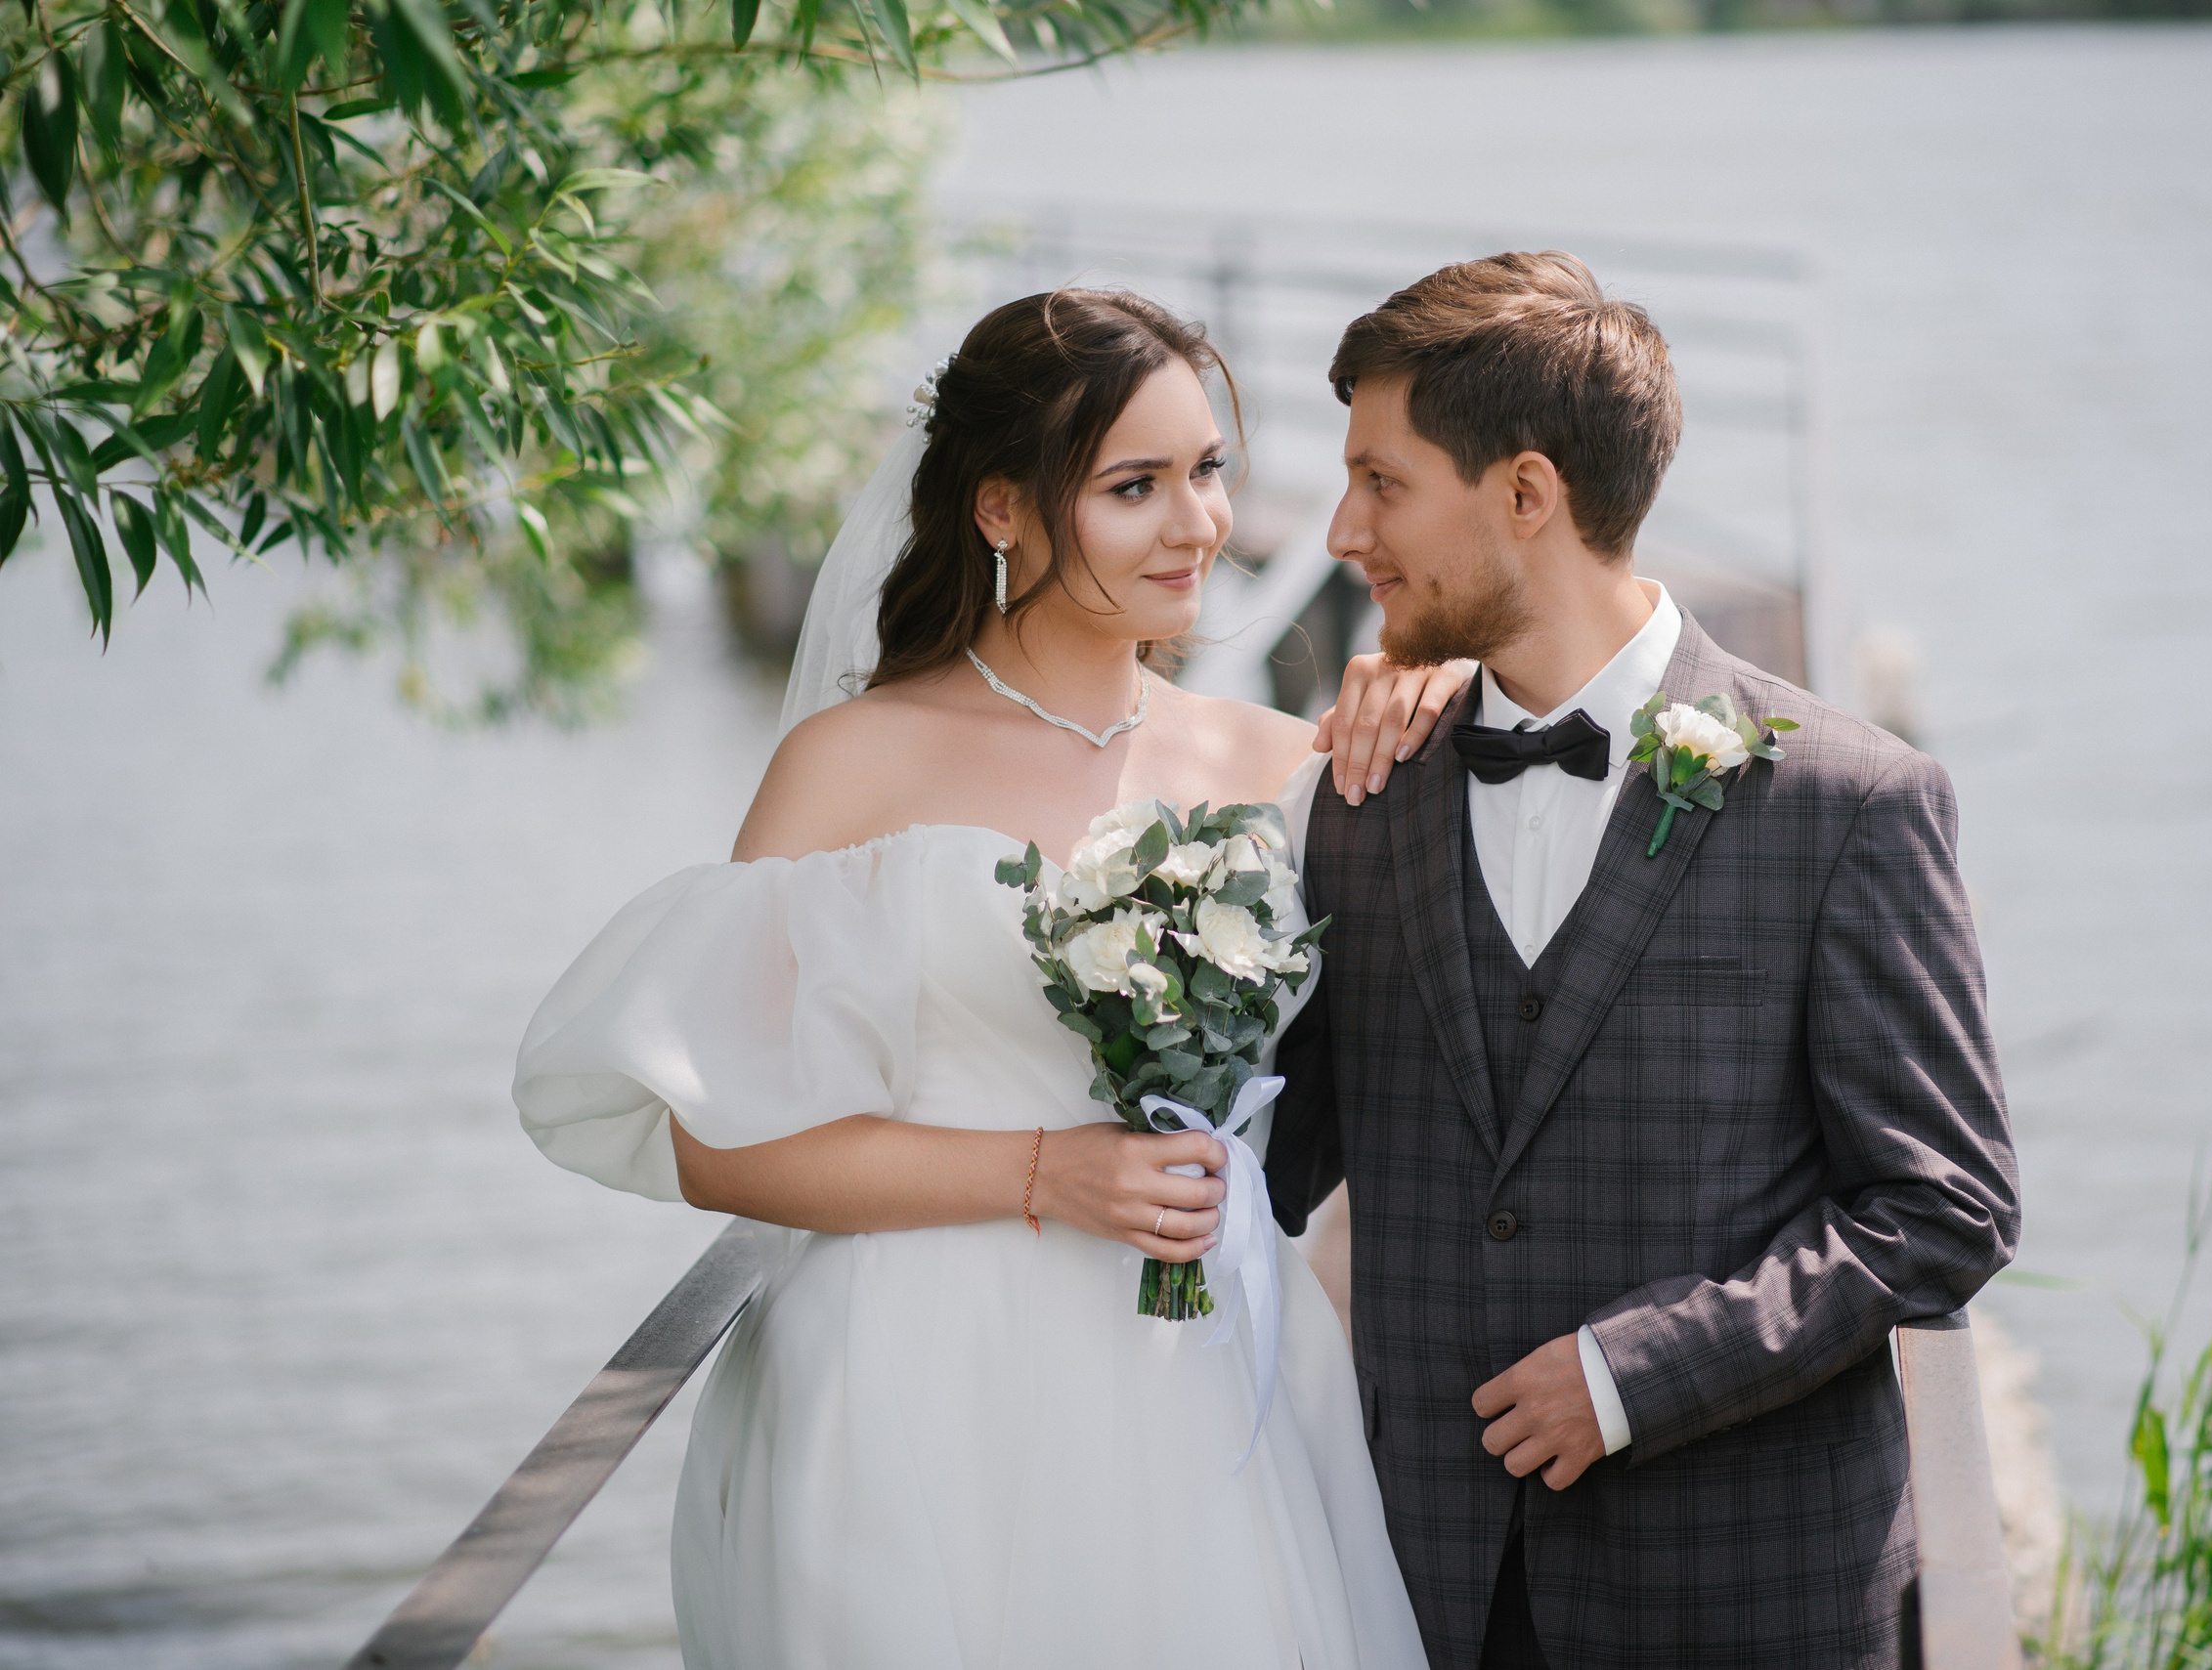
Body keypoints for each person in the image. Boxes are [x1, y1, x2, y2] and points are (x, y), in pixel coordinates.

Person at [512, 288, 1461, 1669]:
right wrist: (1041, 1174)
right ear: (1001, 507)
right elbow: (713, 1144)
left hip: (1205, 1378)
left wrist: (1438, 684)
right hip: (922, 1380)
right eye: (1134, 486)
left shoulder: (1278, 760)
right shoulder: (855, 762)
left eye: (1208, 471)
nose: (1198, 524)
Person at [1263, 252, 2024, 1670]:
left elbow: (1944, 1206)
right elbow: (1262, 1161)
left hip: (1746, 1593)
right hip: (1421, 1586)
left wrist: (1635, 1374)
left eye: (1381, 482)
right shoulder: (1360, 798)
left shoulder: (1846, 802)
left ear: (1526, 494)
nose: (1342, 528)